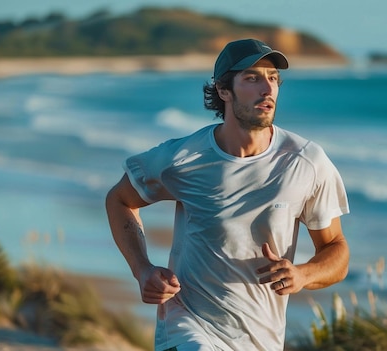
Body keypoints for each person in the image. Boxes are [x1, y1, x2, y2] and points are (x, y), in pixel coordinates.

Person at [105, 38, 350, 351]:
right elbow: (120, 200)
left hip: (261, 338)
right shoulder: (183, 158)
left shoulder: (306, 162)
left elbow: (335, 250)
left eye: (273, 78)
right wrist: (142, 270)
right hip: (187, 325)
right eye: (252, 78)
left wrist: (303, 275)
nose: (268, 89)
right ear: (223, 91)